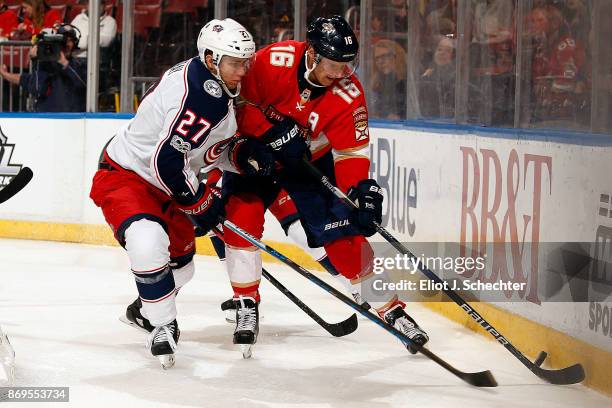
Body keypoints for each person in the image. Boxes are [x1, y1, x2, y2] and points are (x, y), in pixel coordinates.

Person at [222, 15, 429, 357]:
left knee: (345, 238)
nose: (341, 74)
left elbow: (350, 152)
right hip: (258, 154)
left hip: (309, 163)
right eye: (334, 65)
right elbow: (238, 102)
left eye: (348, 66)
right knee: (241, 221)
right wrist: (269, 133)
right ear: (313, 54)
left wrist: (359, 191)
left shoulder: (348, 92)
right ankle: (246, 303)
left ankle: (391, 310)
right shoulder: (274, 60)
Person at [89, 18, 270, 369]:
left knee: (182, 269)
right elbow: (167, 161)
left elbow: (199, 151)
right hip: (129, 175)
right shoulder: (205, 95)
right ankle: (161, 324)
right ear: (211, 58)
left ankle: (144, 310)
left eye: (246, 62)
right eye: (235, 63)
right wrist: (201, 201)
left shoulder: (213, 82)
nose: (243, 71)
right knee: (146, 240)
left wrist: (241, 155)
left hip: (167, 183)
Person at [0, 24, 87, 112]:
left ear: (75, 43)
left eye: (70, 41)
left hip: (73, 120)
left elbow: (83, 84)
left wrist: (64, 63)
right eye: (64, 41)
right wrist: (35, 61)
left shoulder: (80, 64)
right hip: (46, 119)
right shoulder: (46, 64)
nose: (67, 44)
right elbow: (36, 88)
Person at [370, 39, 407, 120]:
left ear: (397, 56)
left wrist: (400, 117)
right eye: (377, 58)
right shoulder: (377, 83)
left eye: (385, 56)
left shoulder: (408, 82)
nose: (380, 61)